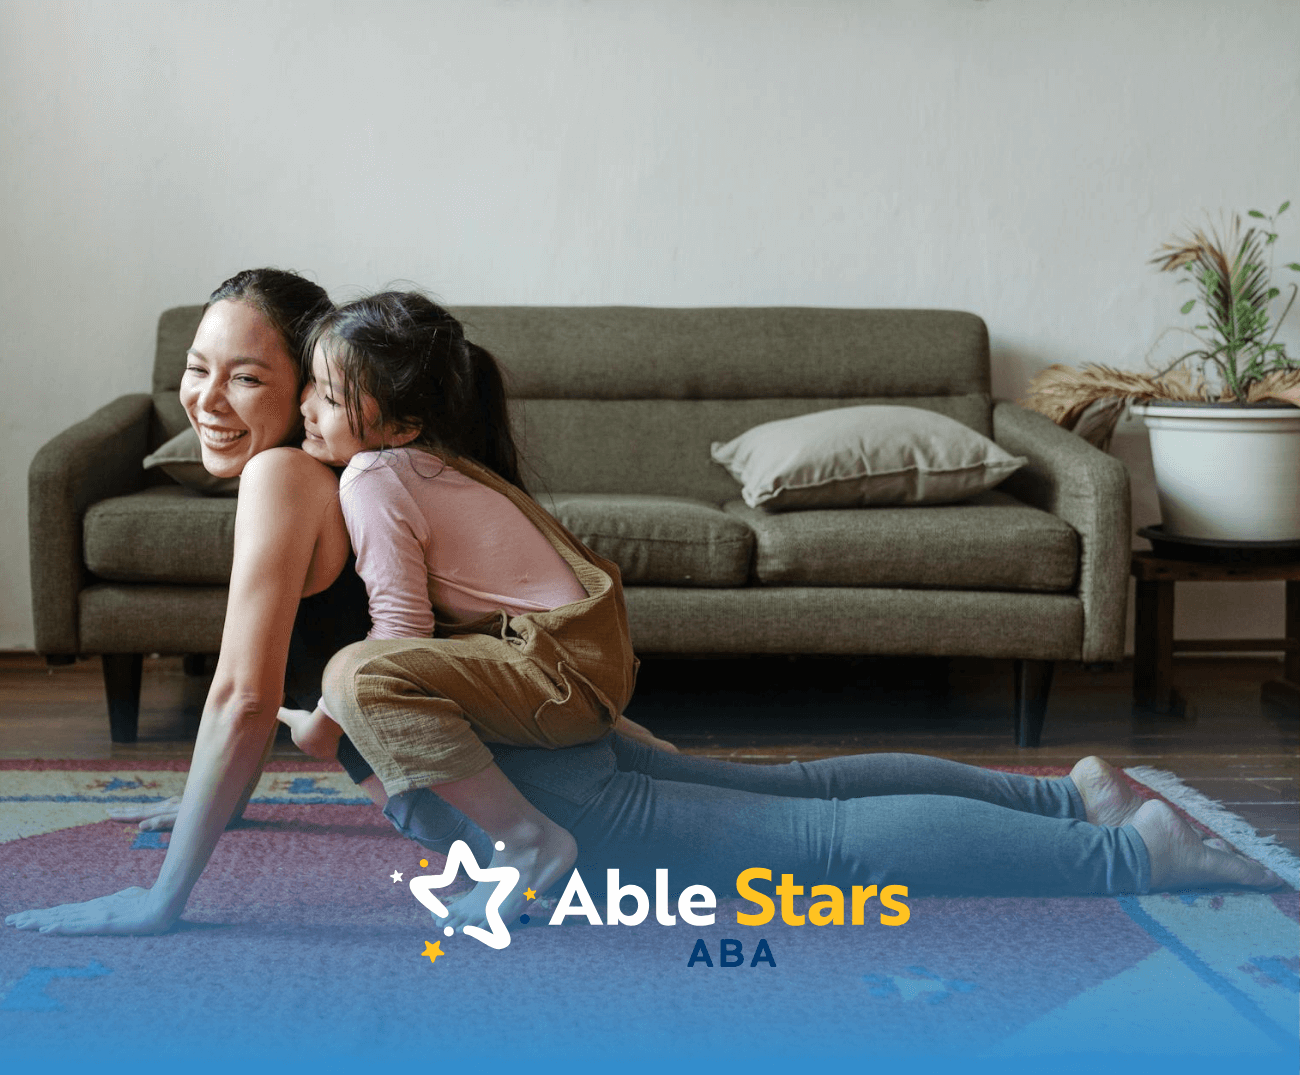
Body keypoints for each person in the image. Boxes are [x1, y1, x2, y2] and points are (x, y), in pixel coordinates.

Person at [6, 273, 1281, 939]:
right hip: (537, 726)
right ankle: (1070, 798)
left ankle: (1128, 855)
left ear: (318, 390)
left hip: (537, 781)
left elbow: (249, 692)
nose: (209, 399)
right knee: (801, 795)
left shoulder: (298, 477)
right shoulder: (372, 471)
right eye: (196, 371)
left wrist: (163, 896)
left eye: (249, 377)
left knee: (816, 852)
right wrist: (245, 782)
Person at [280, 291, 675, 928]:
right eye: (311, 385)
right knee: (375, 672)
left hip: (561, 678)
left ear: (403, 425)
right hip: (580, 667)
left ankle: (526, 841)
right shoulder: (429, 464)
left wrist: (324, 723)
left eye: (329, 395)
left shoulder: (373, 476)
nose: (306, 406)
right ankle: (621, 743)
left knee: (357, 676)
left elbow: (401, 630)